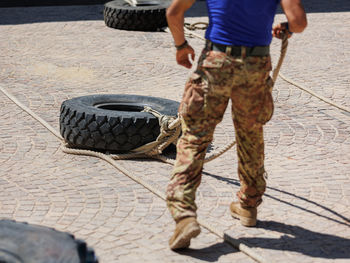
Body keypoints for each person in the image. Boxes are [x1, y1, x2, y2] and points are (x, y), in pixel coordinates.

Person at [165, 0, 307, 250]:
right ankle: (248, 206)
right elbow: (298, 22)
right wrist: (286, 27)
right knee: (251, 135)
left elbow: (173, 12)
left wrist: (180, 45)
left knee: (194, 138)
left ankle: (184, 214)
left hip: (216, 61)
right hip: (255, 65)